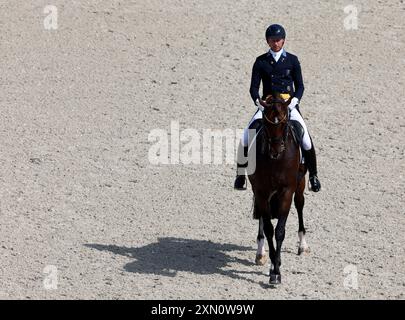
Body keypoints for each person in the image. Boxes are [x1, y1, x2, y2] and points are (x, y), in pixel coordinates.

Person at [234, 24, 321, 192]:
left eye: (278, 40)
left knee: (306, 139)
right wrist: (258, 101)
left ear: (283, 41)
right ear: (267, 41)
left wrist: (295, 100)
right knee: (246, 137)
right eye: (272, 41)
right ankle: (240, 176)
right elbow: (253, 88)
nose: (276, 43)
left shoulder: (292, 60)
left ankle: (314, 176)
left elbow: (300, 86)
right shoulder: (260, 61)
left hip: (288, 105)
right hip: (267, 106)